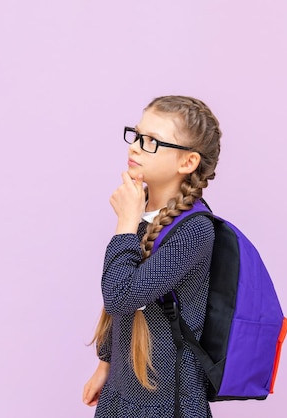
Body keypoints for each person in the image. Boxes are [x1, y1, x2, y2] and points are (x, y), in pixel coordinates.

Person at [82, 95, 222, 417]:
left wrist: (125, 224)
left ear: (187, 162)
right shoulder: (144, 210)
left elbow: (120, 295)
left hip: (165, 400)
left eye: (151, 142)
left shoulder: (194, 231)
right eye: (137, 135)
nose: (134, 147)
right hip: (123, 388)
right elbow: (121, 309)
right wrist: (105, 365)